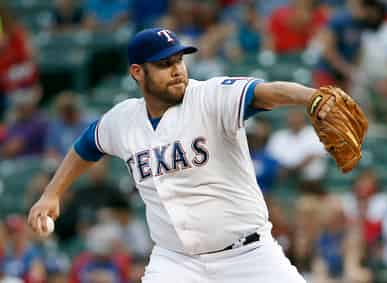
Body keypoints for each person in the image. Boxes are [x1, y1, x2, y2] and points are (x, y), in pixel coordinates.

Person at [28, 27, 336, 283]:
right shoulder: (122, 120)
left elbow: (264, 92)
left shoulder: (210, 97)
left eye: (179, 60)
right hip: (176, 262)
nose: (176, 70)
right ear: (138, 72)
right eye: (164, 64)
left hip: (248, 256)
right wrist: (51, 194)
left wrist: (310, 97)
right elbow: (85, 147)